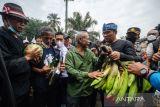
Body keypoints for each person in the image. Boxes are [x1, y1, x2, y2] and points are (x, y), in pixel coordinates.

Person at [0, 3, 40, 107]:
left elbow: (23, 58)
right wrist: (27, 57)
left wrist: (33, 61)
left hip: (24, 90)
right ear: (5, 19)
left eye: (24, 22)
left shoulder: (18, 39)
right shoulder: (1, 36)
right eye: (18, 20)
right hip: (10, 91)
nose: (23, 24)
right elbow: (4, 66)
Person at [65, 31, 102, 107]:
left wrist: (102, 55)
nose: (89, 41)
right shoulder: (70, 53)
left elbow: (97, 63)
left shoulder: (89, 53)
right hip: (74, 91)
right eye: (87, 39)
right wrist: (87, 74)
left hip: (87, 91)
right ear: (80, 39)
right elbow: (70, 69)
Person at [30, 26, 60, 107]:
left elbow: (56, 64)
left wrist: (57, 69)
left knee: (52, 103)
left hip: (52, 84)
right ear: (41, 37)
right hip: (40, 84)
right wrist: (40, 71)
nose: (49, 40)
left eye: (51, 38)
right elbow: (30, 66)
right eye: (46, 38)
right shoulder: (35, 49)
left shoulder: (55, 50)